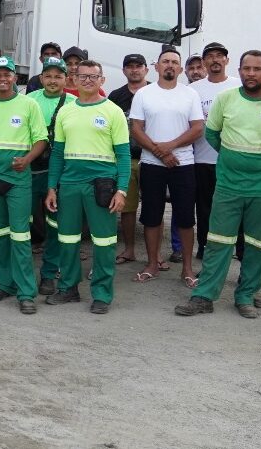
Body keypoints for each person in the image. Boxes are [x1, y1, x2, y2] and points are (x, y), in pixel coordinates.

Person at [175, 49, 261, 318]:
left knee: (257, 243)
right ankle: (204, 296)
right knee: (218, 241)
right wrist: (234, 158)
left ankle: (245, 296)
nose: (250, 74)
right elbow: (213, 134)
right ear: (239, 71)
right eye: (246, 69)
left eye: (256, 69)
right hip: (229, 184)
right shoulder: (226, 99)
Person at [44, 59, 129, 314]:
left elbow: (123, 156)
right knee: (67, 239)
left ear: (102, 80)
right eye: (83, 76)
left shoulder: (113, 112)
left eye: (94, 76)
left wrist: (121, 190)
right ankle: (68, 288)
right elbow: (57, 154)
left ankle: (102, 294)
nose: (88, 81)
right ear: (74, 80)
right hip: (69, 184)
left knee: (104, 243)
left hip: (101, 185)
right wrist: (51, 187)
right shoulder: (66, 112)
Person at [0, 56, 48, 313]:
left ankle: (26, 292)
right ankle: (4, 284)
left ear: (16, 77)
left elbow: (41, 139)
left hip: (18, 180)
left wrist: (27, 159)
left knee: (20, 236)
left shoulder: (29, 105)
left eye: (8, 74)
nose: (3, 79)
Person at [129, 48, 204, 286]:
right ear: (156, 67)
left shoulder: (190, 94)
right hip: (152, 164)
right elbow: (136, 129)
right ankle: (152, 263)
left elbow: (197, 128)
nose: (170, 65)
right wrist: (160, 153)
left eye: (174, 62)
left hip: (183, 163)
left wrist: (169, 147)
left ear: (181, 69)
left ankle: (188, 269)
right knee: (151, 215)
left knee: (184, 217)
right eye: (165, 62)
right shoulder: (144, 94)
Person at [26, 57, 74, 294]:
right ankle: (22, 274)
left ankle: (48, 274)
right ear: (41, 78)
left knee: (54, 224)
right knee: (24, 224)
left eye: (58, 76)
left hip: (58, 173)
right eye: (48, 76)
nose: (53, 80)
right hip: (29, 171)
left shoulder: (74, 103)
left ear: (66, 79)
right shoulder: (28, 100)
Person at [187, 42, 238, 262]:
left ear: (227, 60)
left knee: (233, 207)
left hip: (232, 159)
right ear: (204, 62)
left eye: (220, 56)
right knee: (205, 207)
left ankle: (234, 246)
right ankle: (204, 246)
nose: (215, 60)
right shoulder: (194, 90)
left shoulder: (238, 87)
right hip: (202, 158)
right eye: (210, 56)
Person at [109, 53, 149, 263]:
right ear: (124, 70)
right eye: (130, 66)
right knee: (128, 207)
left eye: (138, 66)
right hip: (128, 159)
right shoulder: (116, 96)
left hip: (153, 158)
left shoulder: (155, 92)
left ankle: (155, 256)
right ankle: (129, 250)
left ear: (146, 69)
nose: (134, 70)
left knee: (154, 207)